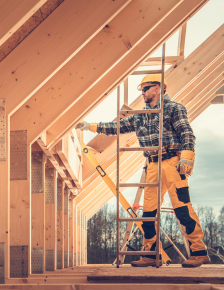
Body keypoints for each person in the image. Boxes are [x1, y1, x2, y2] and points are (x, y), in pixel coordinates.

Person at [76, 74, 209, 268]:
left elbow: (186, 132)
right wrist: (91, 126)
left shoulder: (174, 109)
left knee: (182, 207)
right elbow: (117, 127)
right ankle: (151, 253)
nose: (143, 92)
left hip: (173, 161)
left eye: (145, 89)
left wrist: (188, 156)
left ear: (158, 89)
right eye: (141, 89)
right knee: (148, 213)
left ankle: (199, 252)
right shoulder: (140, 116)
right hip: (153, 164)